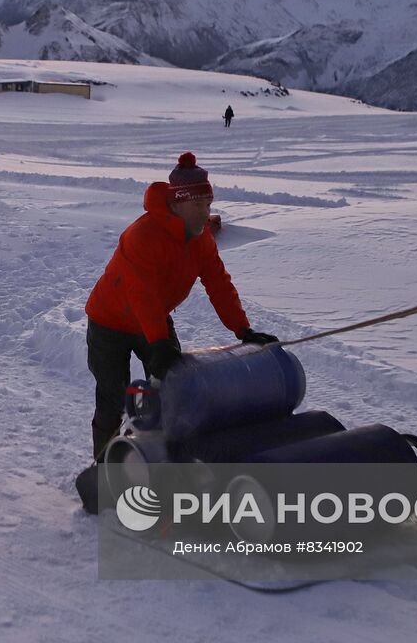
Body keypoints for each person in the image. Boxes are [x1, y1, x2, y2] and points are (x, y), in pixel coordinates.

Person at [83, 152, 278, 460]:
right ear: (176, 204)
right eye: (198, 205)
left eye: (209, 205)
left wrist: (243, 329)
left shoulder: (200, 239)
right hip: (109, 322)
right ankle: (103, 466)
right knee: (112, 396)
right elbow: (141, 294)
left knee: (170, 388)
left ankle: (144, 454)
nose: (205, 213)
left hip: (153, 318)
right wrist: (159, 343)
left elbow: (218, 283)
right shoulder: (142, 235)